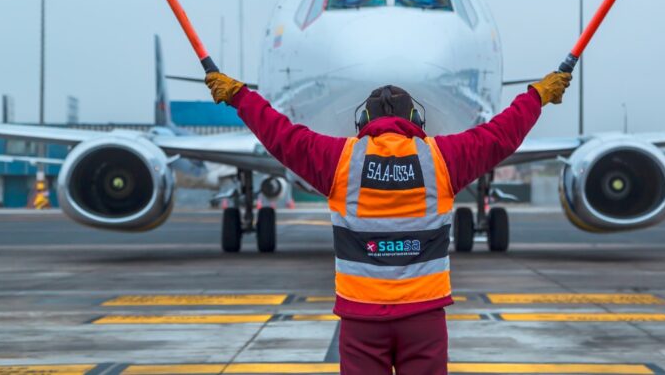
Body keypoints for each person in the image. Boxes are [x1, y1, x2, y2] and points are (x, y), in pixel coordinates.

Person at [205, 71, 570, 375]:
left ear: (363, 123)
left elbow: (279, 134)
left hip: (360, 320)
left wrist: (241, 97)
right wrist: (536, 96)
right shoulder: (443, 159)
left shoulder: (338, 160)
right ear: (417, 123)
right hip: (424, 318)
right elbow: (501, 133)